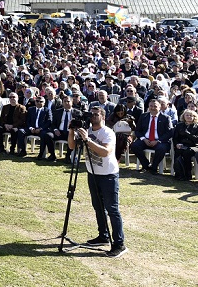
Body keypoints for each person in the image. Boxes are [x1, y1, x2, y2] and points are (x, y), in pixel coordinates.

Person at [68, 106, 127, 258]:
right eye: (91, 114)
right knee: (98, 206)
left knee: (112, 209)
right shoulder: (86, 130)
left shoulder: (108, 132)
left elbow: (105, 152)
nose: (93, 117)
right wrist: (72, 130)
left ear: (103, 116)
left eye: (96, 114)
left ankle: (119, 244)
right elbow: (72, 146)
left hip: (108, 175)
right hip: (92, 173)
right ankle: (103, 235)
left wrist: (87, 140)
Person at [130, 99, 173, 174]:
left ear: (159, 107)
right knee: (134, 145)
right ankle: (146, 165)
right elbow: (137, 131)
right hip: (145, 140)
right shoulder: (143, 116)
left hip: (159, 141)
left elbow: (169, 133)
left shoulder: (166, 118)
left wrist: (158, 141)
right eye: (151, 106)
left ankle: (154, 167)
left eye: (155, 106)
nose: (153, 108)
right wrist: (144, 139)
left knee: (161, 148)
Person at [172, 109, 198, 180]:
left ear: (194, 117)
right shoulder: (179, 125)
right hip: (182, 145)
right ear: (184, 116)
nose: (189, 117)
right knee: (178, 151)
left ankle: (188, 174)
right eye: (187, 115)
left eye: (191, 115)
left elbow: (196, 140)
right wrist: (177, 144)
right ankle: (179, 173)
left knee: (187, 152)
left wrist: (188, 134)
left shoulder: (197, 126)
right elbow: (175, 138)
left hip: (194, 146)